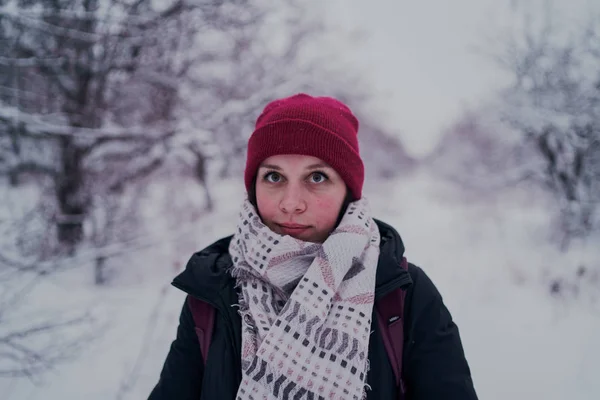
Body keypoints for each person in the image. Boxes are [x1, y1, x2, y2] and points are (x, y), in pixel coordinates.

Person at [149, 93, 478, 400]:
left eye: (317, 177)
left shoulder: (405, 294)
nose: (291, 204)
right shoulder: (213, 290)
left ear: (347, 192)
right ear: (253, 186)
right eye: (274, 177)